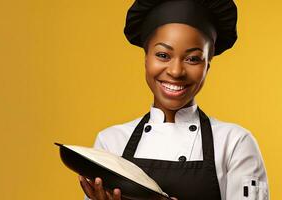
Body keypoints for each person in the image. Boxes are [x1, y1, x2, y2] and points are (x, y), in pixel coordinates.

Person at [78, 0, 269, 199]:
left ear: (207, 66)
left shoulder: (235, 143)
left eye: (193, 58)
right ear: (146, 59)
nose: (176, 71)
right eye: (162, 55)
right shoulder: (110, 142)